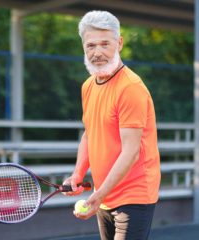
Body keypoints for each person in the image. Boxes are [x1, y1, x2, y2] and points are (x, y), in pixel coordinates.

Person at [63, 10, 161, 240]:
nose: (97, 52)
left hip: (134, 194)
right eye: (91, 45)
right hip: (104, 193)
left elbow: (131, 152)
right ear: (83, 48)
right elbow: (90, 133)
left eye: (105, 44)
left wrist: (98, 195)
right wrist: (77, 174)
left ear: (119, 43)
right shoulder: (88, 86)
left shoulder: (130, 88)